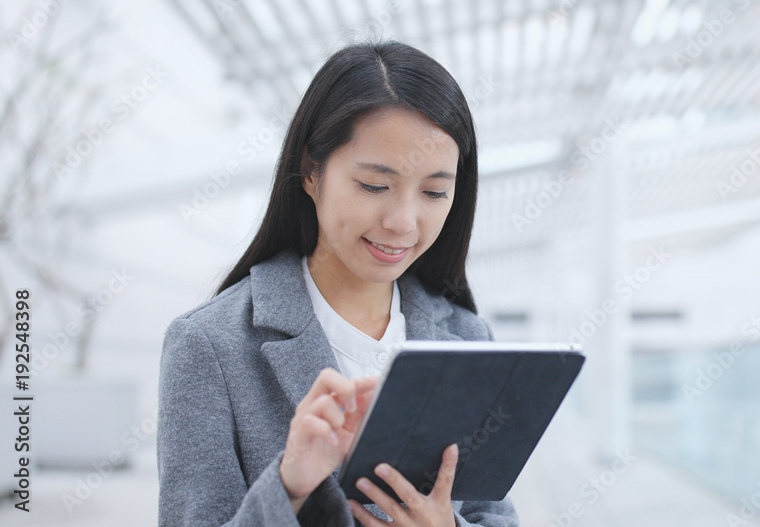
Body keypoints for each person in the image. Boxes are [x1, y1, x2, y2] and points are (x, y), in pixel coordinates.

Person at [156, 40, 518, 527]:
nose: (403, 222)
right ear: (310, 171)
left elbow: (495, 516)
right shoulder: (209, 346)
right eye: (374, 185)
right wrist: (289, 487)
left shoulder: (471, 340)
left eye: (434, 191)